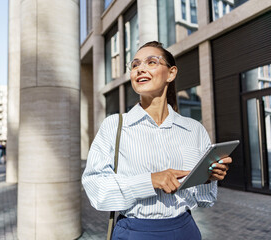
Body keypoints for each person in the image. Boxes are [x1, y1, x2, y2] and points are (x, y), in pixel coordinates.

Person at [82, 41, 232, 240]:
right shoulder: (114, 126)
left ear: (171, 73)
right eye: (135, 65)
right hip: (134, 232)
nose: (140, 69)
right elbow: (96, 189)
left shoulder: (193, 130)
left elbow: (204, 199)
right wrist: (149, 181)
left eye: (151, 62)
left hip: (185, 230)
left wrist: (207, 178)